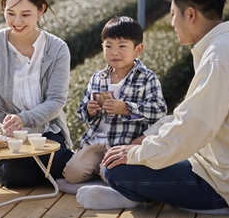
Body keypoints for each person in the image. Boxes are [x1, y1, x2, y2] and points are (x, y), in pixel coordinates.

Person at [85, 0, 229, 215]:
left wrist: (136, 153)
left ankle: (132, 196)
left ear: (190, 15)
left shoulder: (218, 58)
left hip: (228, 187)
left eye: (173, 14)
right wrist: (145, 139)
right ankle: (135, 193)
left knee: (118, 169)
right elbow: (185, 119)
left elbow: (192, 127)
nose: (171, 22)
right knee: (133, 157)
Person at [0, 0, 74, 187]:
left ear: (41, 9)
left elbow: (56, 100)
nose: (17, 22)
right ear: (3, 9)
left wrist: (24, 118)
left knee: (63, 166)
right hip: (4, 135)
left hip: (44, 132)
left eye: (26, 14)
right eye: (10, 14)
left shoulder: (57, 49)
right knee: (16, 176)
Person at [63, 16, 167, 184]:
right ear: (102, 47)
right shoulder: (98, 78)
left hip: (123, 145)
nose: (115, 52)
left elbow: (159, 110)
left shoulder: (147, 78)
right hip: (96, 143)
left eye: (122, 46)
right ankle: (99, 169)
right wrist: (89, 110)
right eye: (108, 46)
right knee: (72, 174)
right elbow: (81, 113)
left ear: (138, 49)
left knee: (112, 174)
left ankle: (104, 172)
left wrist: (126, 108)